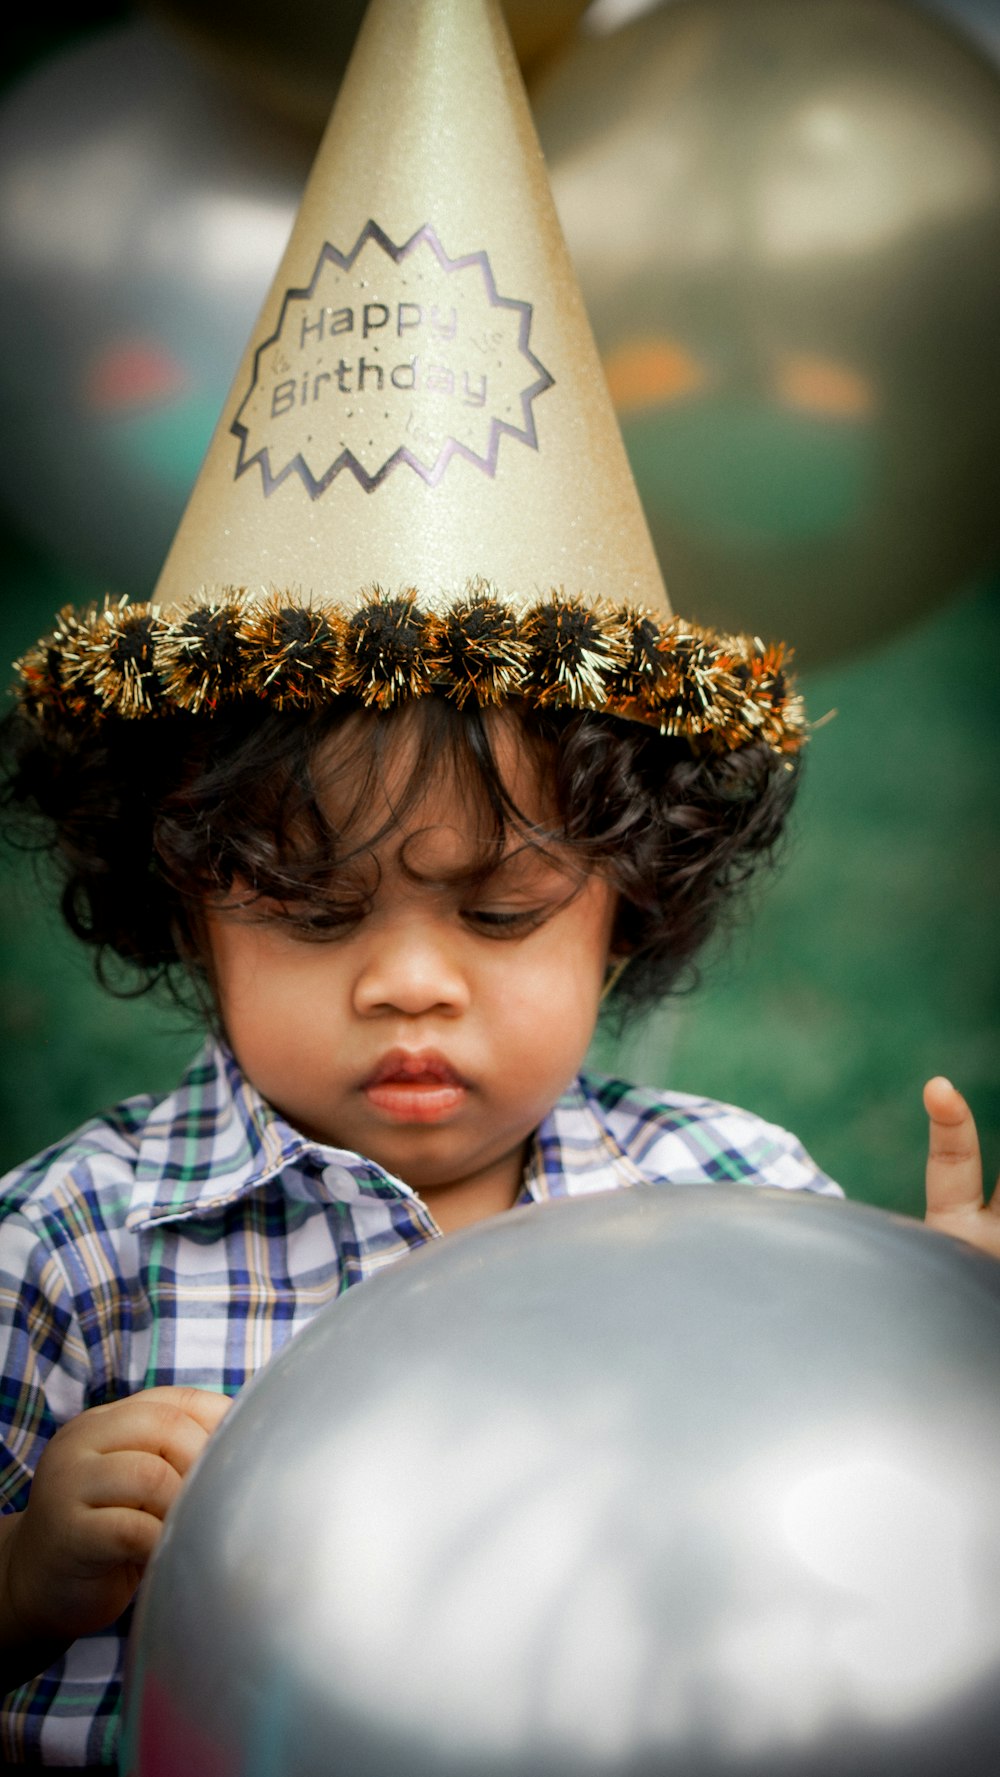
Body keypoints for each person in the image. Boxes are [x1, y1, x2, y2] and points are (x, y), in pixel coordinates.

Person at [0, 0, 995, 1767]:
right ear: (183, 894)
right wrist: (20, 1571)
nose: (408, 981)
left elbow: (831, 1580)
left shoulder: (743, 1207)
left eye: (499, 907)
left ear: (634, 894)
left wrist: (944, 1351)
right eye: (311, 913)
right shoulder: (76, 1249)